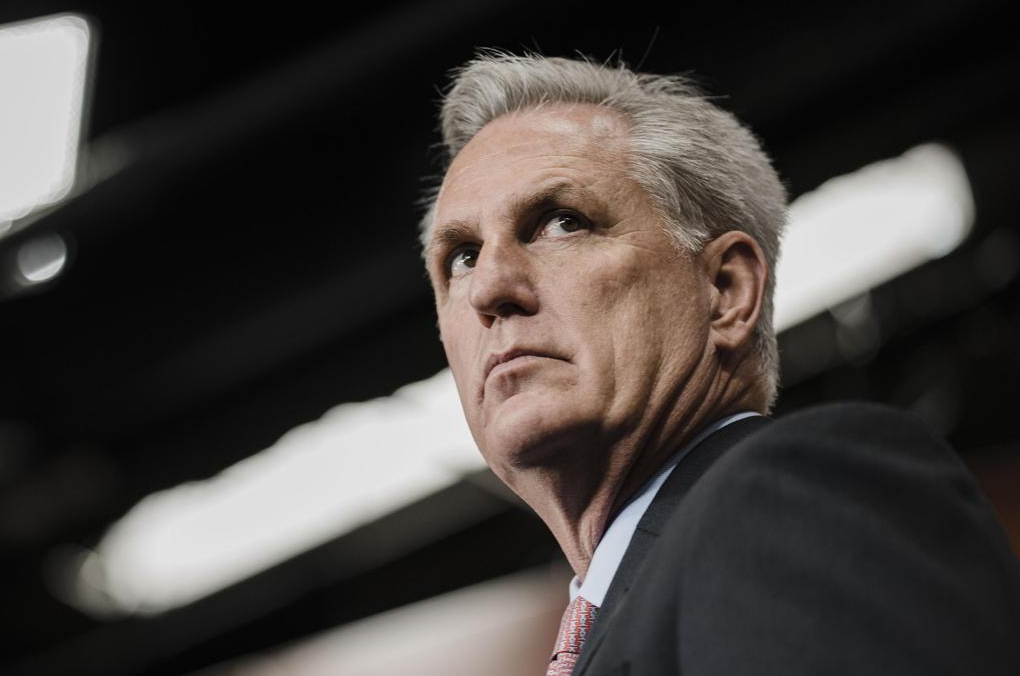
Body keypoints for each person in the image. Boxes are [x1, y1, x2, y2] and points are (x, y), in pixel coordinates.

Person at [419, 51, 1020, 675]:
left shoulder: (793, 495)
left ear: (725, 290)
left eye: (563, 222)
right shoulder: (628, 605)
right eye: (462, 257)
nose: (488, 288)